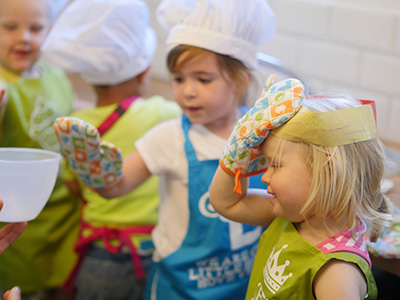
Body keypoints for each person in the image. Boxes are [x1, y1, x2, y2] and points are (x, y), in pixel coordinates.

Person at [53, 0, 276, 298]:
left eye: (203, 79)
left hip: (245, 285)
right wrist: (95, 171)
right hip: (179, 287)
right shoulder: (168, 137)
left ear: (241, 80)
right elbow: (116, 185)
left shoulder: (263, 134)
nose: (187, 90)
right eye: (179, 79)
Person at [41, 0, 182, 299]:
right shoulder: (163, 113)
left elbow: (75, 186)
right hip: (156, 252)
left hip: (102, 254)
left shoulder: (73, 126)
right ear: (144, 73)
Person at [209, 75, 391, 299]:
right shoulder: (295, 214)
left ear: (326, 174)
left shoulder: (336, 272)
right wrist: (236, 157)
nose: (265, 177)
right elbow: (226, 202)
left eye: (275, 165)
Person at [0, 0, 81, 299]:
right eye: (10, 27)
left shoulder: (57, 77)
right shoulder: (4, 85)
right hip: (18, 224)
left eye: (36, 28)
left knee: (61, 284)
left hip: (63, 216)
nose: (24, 37)